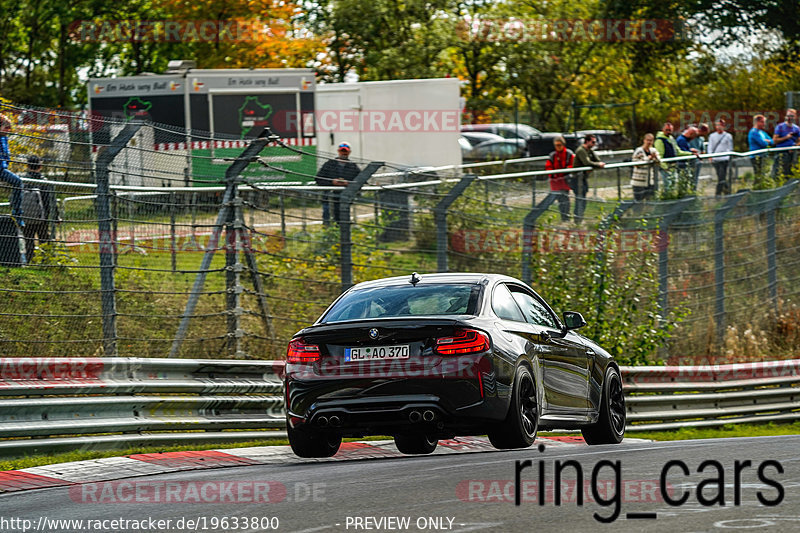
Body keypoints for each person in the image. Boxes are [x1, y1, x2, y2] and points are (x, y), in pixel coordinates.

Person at [315, 142, 360, 225]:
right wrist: (332, 182)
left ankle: (342, 228)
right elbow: (318, 179)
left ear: (349, 152)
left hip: (344, 197)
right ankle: (328, 230)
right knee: (327, 214)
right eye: (342, 151)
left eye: (345, 151)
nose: (343, 153)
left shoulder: (353, 167)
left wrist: (348, 183)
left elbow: (360, 181)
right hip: (328, 196)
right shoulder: (329, 164)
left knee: (343, 216)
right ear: (338, 151)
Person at [21, 155, 54, 261]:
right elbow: (50, 201)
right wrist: (55, 216)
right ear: (40, 166)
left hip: (26, 217)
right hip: (42, 218)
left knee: (28, 241)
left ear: (27, 165)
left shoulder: (22, 181)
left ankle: (30, 260)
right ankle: (46, 260)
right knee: (44, 240)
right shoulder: (44, 181)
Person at [654, 122, 696, 194]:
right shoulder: (660, 140)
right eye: (667, 130)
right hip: (666, 167)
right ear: (663, 129)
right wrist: (665, 167)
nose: (668, 132)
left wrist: (691, 153)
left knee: (673, 186)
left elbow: (678, 152)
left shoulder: (671, 139)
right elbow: (659, 156)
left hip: (673, 166)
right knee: (667, 186)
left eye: (670, 130)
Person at [571, 134, 605, 222]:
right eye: (593, 142)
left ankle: (580, 219)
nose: (594, 144)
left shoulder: (589, 150)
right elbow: (587, 162)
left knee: (583, 199)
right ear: (587, 141)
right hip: (576, 179)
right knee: (580, 199)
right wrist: (596, 165)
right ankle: (577, 220)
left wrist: (595, 165)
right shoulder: (581, 150)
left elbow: (598, 160)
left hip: (583, 178)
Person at [544, 136, 574, 222]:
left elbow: (572, 165)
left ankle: (566, 218)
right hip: (555, 182)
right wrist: (552, 175)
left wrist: (566, 172)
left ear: (563, 144)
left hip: (565, 181)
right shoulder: (552, 155)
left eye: (559, 145)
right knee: (560, 200)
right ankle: (563, 218)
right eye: (556, 145)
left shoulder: (569, 154)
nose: (558, 147)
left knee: (565, 200)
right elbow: (548, 166)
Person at [0, 115, 24, 226]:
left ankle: (17, 213)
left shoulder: (4, 137)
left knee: (17, 182)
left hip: (2, 169)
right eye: (6, 128)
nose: (8, 130)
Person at [631, 133, 660, 202]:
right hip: (639, 181)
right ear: (644, 140)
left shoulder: (653, 150)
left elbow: (659, 161)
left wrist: (655, 158)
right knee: (638, 202)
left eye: (651, 140)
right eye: (648, 140)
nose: (649, 142)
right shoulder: (639, 151)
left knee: (650, 200)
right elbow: (636, 164)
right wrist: (648, 158)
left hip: (650, 181)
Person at [771, 108, 800, 178]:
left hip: (792, 154)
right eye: (788, 116)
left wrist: (795, 147)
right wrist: (786, 137)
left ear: (795, 117)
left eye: (792, 116)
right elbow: (774, 140)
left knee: (790, 173)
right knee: (779, 173)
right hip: (781, 153)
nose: (790, 118)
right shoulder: (780, 127)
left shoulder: (796, 128)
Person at [708, 119, 734, 195]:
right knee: (720, 176)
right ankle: (727, 191)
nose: (718, 127)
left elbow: (730, 147)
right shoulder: (712, 136)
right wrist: (710, 156)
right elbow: (710, 147)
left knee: (722, 176)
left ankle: (718, 193)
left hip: (724, 159)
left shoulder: (728, 136)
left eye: (720, 125)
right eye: (717, 125)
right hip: (716, 159)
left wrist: (728, 156)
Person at [689, 124, 709, 190]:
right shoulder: (690, 137)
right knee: (689, 178)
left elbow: (702, 150)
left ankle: (693, 192)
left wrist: (701, 156)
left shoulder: (701, 139)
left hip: (698, 161)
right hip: (689, 160)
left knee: (695, 178)